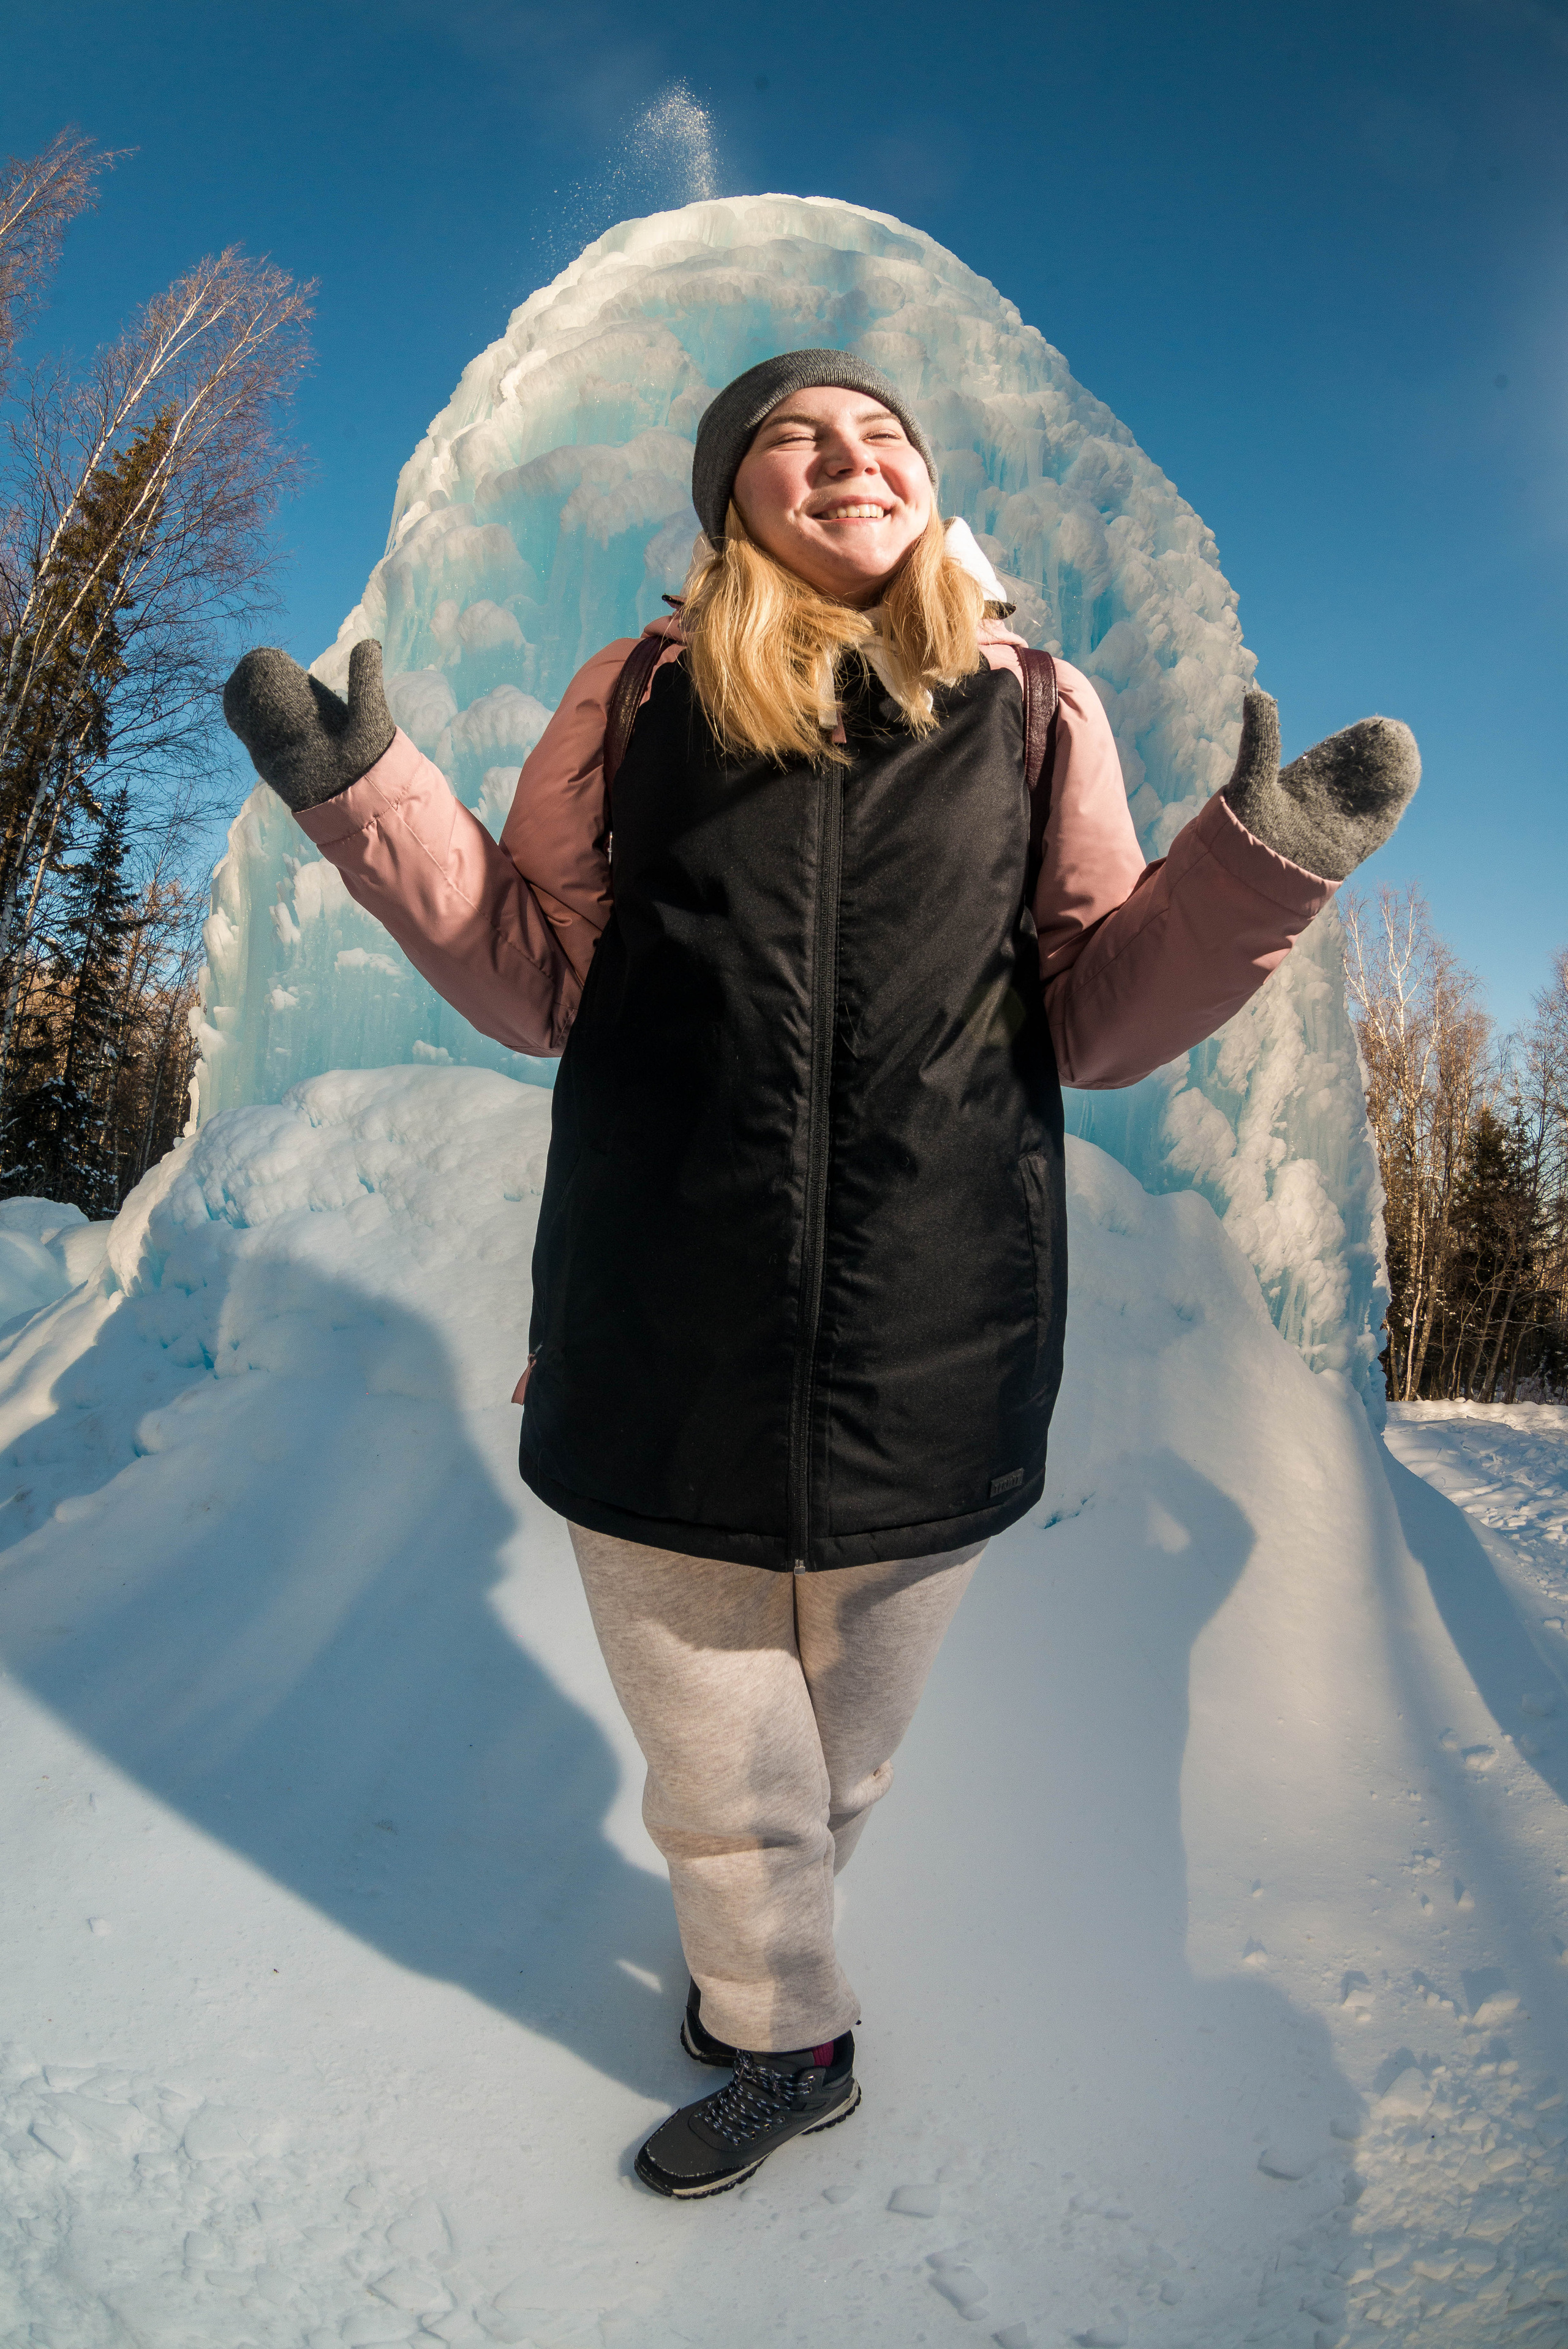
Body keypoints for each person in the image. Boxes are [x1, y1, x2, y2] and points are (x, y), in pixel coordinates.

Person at [223, 349, 1419, 2200]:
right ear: (731, 500)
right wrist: (367, 798)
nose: (849, 455)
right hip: (654, 1302)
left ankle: (755, 1956)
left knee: (837, 1757)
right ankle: (793, 2036)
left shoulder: (1032, 702)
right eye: (797, 436)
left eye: (885, 437)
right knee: (719, 1750)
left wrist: (1260, 870)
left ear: (930, 494)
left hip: (938, 1324)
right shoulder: (636, 694)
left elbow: (1094, 1014)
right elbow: (539, 969)